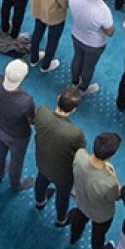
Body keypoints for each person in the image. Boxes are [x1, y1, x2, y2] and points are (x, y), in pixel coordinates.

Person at [33, 87, 86, 227]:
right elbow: (80, 152)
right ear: (73, 110)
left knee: (41, 180)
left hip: (41, 161)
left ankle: (40, 201)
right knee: (62, 196)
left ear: (58, 98)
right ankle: (61, 219)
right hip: (62, 173)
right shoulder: (75, 133)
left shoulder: (42, 111)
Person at [68, 133, 123, 249]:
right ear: (111, 156)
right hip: (101, 215)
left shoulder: (80, 155)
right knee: (98, 235)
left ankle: (74, 238)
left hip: (81, 201)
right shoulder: (109, 182)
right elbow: (117, 196)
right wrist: (114, 176)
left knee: (78, 220)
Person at [0, 59, 35, 193]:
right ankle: (16, 185)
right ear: (23, 78)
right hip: (17, 136)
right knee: (16, 161)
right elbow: (32, 120)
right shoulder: (25, 100)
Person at [68, 0, 116, 95]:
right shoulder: (103, 10)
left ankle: (74, 83)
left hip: (76, 35)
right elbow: (110, 32)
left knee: (77, 58)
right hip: (94, 45)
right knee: (88, 66)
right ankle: (83, 89)